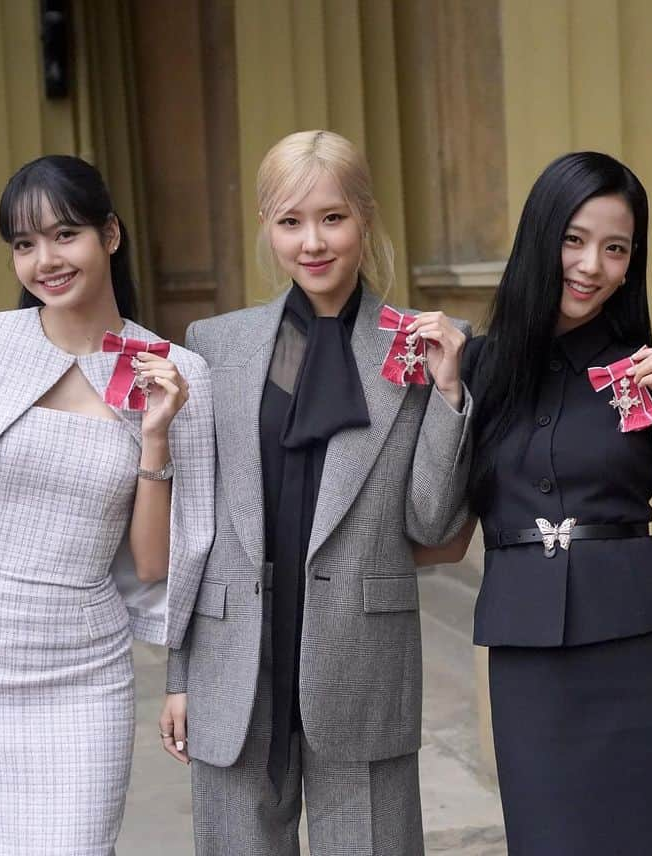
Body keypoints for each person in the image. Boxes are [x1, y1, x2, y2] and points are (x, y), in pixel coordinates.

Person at [158, 129, 473, 855]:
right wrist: (180, 671)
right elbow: (194, 524)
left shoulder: (423, 343)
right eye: (290, 221)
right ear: (266, 227)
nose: (312, 243)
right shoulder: (216, 344)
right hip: (235, 655)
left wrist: (450, 391)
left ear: (365, 217)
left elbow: (430, 519)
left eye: (332, 217)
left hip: (363, 659)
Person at [0, 154, 215, 854]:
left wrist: (156, 435)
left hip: (83, 673)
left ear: (110, 235)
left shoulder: (175, 371)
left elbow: (153, 561)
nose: (44, 259)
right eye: (24, 243)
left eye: (64, 234)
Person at [442, 151, 652, 854]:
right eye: (573, 240)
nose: (591, 265)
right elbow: (438, 521)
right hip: (529, 661)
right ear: (540, 237)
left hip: (651, 652)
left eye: (615, 248)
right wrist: (447, 398)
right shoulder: (476, 368)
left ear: (632, 264)